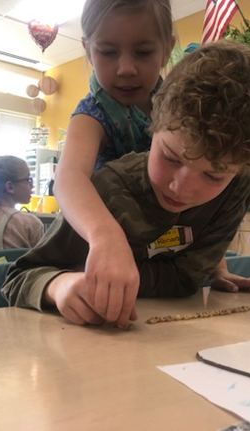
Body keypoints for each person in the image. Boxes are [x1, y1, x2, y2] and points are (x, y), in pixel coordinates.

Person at [2, 40, 250, 327]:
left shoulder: (238, 184)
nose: (181, 188)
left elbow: (187, 279)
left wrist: (212, 271)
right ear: (153, 127)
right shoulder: (108, 190)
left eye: (213, 176)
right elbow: (18, 277)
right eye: (171, 158)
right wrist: (58, 284)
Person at [52, 0, 176, 316]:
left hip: (161, 270)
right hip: (98, 264)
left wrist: (216, 267)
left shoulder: (179, 111)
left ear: (168, 48)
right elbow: (68, 180)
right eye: (108, 52)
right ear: (87, 50)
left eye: (144, 52)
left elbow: (198, 191)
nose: (126, 68)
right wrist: (105, 237)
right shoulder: (92, 114)